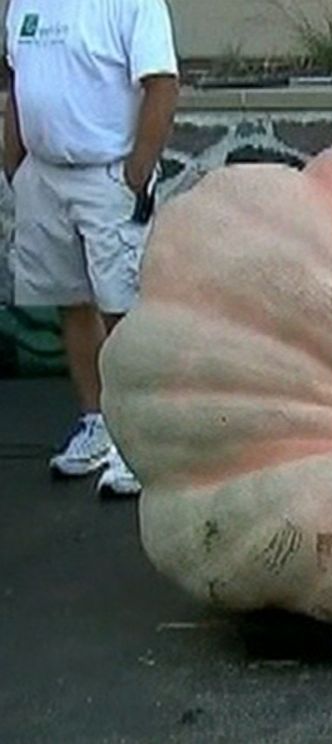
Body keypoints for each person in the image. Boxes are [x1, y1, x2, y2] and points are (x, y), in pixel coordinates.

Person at [3, 0, 179, 497]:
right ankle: (97, 424)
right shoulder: (23, 5)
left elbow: (161, 86)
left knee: (123, 313)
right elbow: (16, 83)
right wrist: (14, 163)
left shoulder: (132, 5)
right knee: (72, 304)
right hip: (44, 177)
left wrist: (134, 176)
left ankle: (138, 444)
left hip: (108, 177)